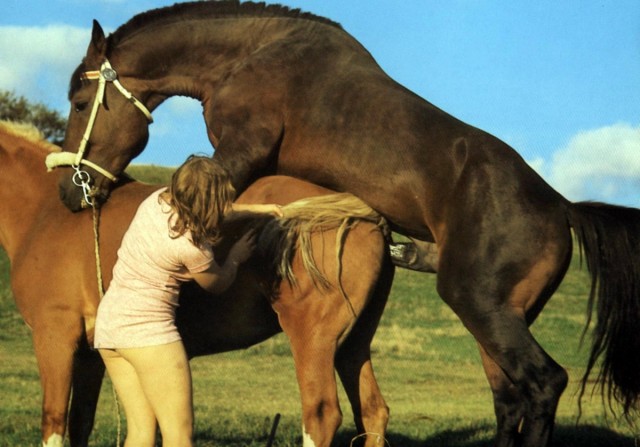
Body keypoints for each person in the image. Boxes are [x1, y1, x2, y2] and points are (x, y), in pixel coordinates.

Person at [94, 155, 282, 447]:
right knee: (179, 436)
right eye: (220, 199)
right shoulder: (190, 246)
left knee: (141, 433)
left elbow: (211, 209)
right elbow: (217, 284)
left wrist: (257, 210)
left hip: (109, 329)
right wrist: (234, 257)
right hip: (148, 335)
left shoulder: (156, 201)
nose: (223, 206)